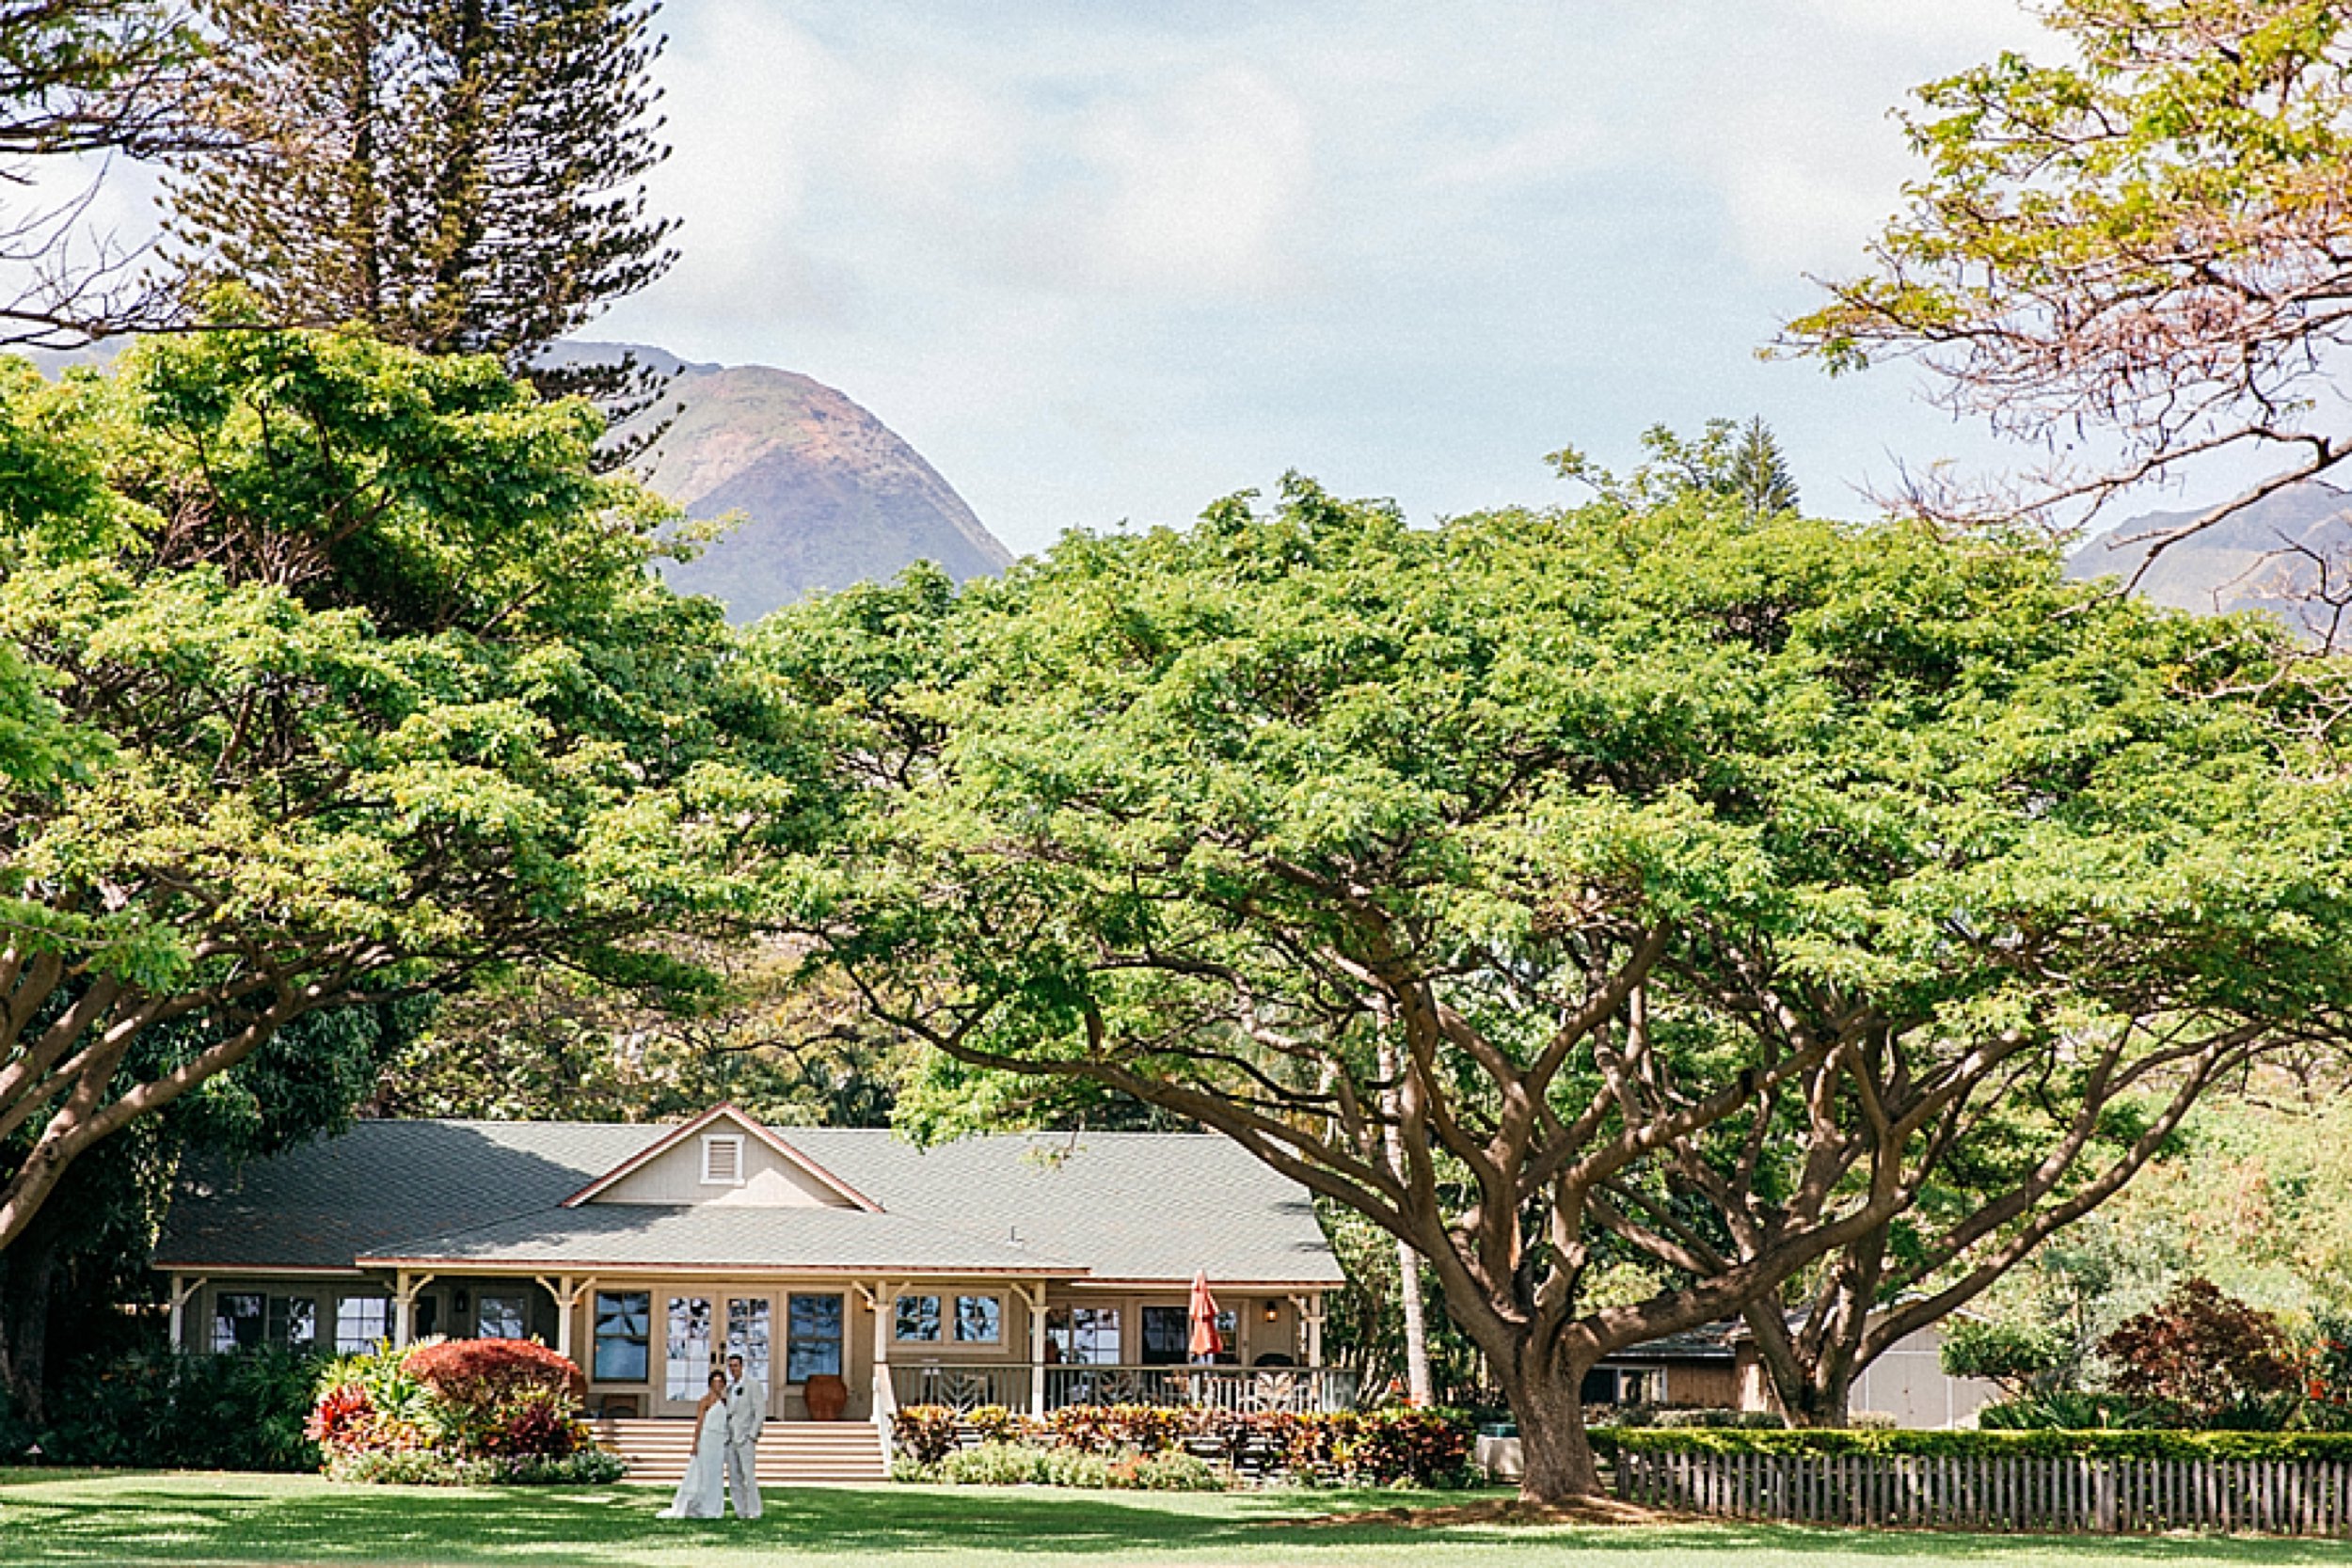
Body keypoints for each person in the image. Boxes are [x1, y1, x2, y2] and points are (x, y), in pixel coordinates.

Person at [657, 1369, 729, 1519]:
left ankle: (714, 1506)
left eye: (720, 1382)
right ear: (710, 1384)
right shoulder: (705, 1401)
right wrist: (695, 1443)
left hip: (719, 1441)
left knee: (715, 1474)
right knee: (702, 1472)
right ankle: (698, 1504)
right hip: (707, 1438)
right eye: (715, 1382)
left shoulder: (725, 1402)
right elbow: (700, 1423)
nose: (718, 1385)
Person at [722, 1352, 765, 1520]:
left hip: (745, 1436)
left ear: (742, 1366)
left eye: (736, 1366)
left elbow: (759, 1411)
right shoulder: (730, 1388)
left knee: (748, 1475)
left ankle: (755, 1511)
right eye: (730, 1366)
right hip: (730, 1438)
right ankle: (740, 1511)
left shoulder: (752, 1385)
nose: (733, 1369)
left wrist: (753, 1434)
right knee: (733, 1477)